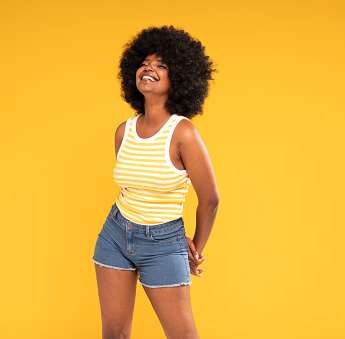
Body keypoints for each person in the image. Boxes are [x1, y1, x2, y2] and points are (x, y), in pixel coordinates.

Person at [92, 26, 219, 339]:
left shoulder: (183, 133)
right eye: (145, 62)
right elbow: (131, 184)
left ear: (179, 80)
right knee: (114, 334)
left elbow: (211, 199)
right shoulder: (124, 130)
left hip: (164, 244)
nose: (149, 68)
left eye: (161, 65)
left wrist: (195, 249)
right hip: (115, 234)